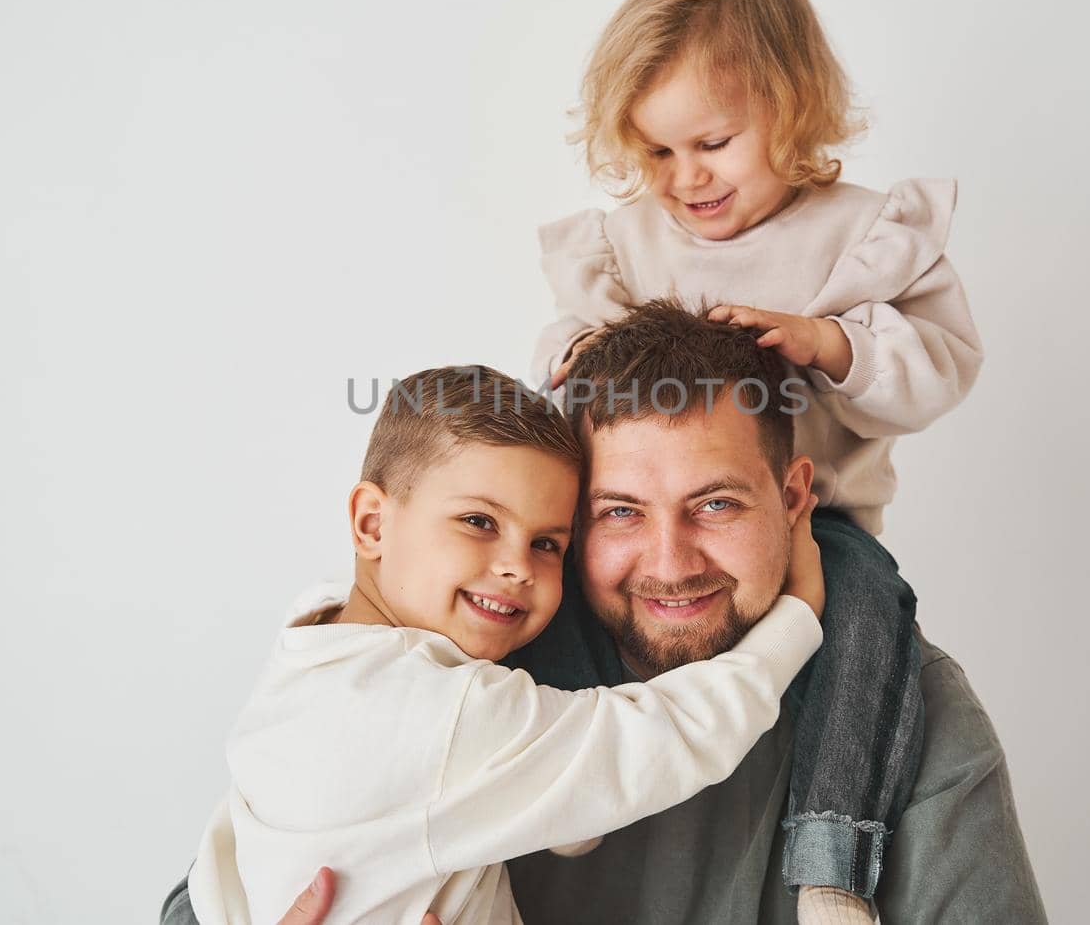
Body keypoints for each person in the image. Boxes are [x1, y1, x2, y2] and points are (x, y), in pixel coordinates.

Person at [161, 302, 1044, 925]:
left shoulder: (906, 713)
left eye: (717, 504)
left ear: (795, 497)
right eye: (618, 511)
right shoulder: (471, 669)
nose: (669, 562)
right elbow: (218, 882)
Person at [530, 0, 984, 921]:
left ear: (792, 109)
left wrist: (829, 343)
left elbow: (944, 363)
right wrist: (581, 350)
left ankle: (829, 857)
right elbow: (562, 353)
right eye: (656, 153)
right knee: (550, 577)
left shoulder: (862, 234)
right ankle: (567, 765)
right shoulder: (630, 242)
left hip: (825, 524)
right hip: (646, 525)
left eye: (713, 142)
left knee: (868, 614)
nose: (684, 177)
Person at [178, 364, 830, 925]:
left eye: (548, 542)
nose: (518, 565)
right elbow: (671, 735)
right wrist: (799, 613)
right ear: (372, 522)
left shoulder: (312, 643)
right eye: (479, 521)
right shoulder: (435, 708)